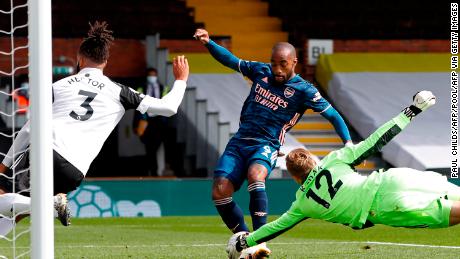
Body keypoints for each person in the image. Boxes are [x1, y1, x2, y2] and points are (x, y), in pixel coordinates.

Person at [0, 21, 189, 235]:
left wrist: (4, 164)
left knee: (5, 198)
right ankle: (48, 205)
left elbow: (29, 128)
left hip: (47, 150)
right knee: (18, 211)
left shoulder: (59, 86)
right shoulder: (120, 92)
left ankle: (51, 205)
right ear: (105, 62)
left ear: (80, 60)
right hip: (75, 170)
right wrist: (181, 80)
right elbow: (169, 107)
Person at [226, 91, 460, 259]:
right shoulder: (335, 159)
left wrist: (245, 241)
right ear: (314, 160)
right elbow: (376, 140)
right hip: (393, 178)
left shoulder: (302, 205)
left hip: (386, 206)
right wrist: (411, 111)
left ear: (295, 178)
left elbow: (274, 227)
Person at [193, 28, 352, 241]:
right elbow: (232, 61)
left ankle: (259, 238)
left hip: (266, 144)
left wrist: (349, 143)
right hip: (239, 142)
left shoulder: (305, 90)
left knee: (255, 175)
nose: (277, 69)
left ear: (294, 62)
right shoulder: (261, 71)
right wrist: (208, 42)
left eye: (283, 64)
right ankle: (244, 238)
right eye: (274, 63)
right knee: (219, 192)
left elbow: (333, 114)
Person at [133, 67, 168, 176]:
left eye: (154, 75)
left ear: (156, 76)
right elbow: (137, 107)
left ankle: (153, 170)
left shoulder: (163, 88)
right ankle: (153, 171)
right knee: (148, 146)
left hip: (158, 121)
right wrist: (135, 123)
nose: (152, 77)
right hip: (145, 120)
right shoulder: (141, 88)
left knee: (155, 145)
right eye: (150, 75)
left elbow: (166, 104)